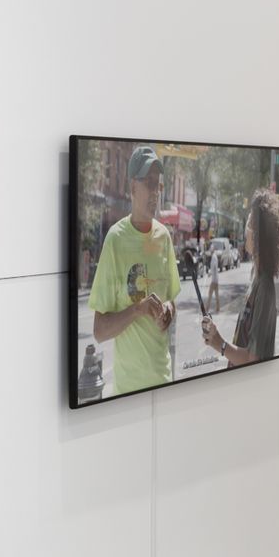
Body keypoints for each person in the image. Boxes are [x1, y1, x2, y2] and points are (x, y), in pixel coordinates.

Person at [88, 145, 180, 396]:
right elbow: (99, 331)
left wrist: (169, 311)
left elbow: (172, 299)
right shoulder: (115, 240)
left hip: (164, 381)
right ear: (132, 188)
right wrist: (138, 309)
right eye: (148, 183)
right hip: (129, 392)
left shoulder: (164, 237)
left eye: (158, 185)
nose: (155, 192)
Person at [200, 188, 279, 366]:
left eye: (249, 224)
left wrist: (219, 343)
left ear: (258, 235)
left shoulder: (265, 286)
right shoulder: (256, 276)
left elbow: (252, 358)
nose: (245, 231)